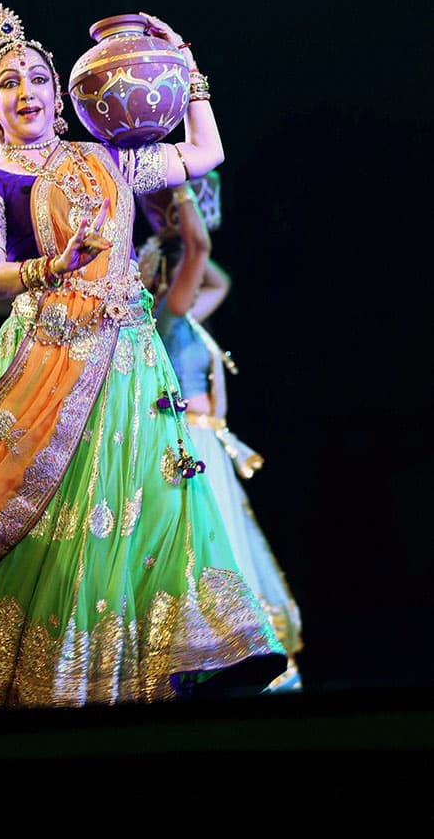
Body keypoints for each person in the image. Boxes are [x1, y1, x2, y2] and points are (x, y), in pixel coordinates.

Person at [0, 4, 287, 712]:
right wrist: (54, 264)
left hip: (131, 357)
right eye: (9, 82)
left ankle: (206, 652)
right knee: (49, 511)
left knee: (159, 495)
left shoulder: (102, 158)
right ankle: (32, 678)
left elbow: (203, 154)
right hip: (50, 357)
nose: (27, 91)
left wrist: (186, 68)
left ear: (60, 94)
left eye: (38, 77)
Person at [137, 178, 304, 692]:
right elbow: (203, 253)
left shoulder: (185, 318)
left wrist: (175, 237)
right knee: (214, 550)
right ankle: (214, 660)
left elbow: (219, 280)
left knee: (227, 544)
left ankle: (240, 659)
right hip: (191, 446)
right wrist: (183, 198)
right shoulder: (165, 317)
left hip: (208, 443)